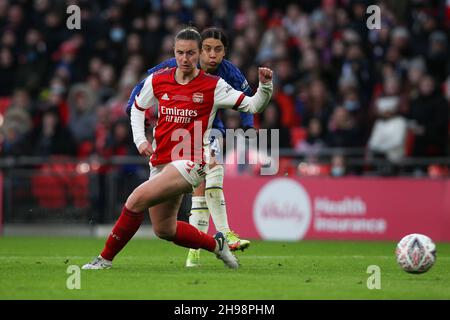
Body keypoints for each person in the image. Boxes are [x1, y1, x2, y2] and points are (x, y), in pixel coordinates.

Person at [82, 27, 273, 270]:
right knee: (165, 229)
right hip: (161, 160)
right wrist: (140, 139)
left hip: (191, 161)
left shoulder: (213, 85)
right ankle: (218, 246)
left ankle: (104, 259)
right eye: (180, 53)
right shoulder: (158, 79)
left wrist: (265, 87)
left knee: (135, 200)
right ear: (174, 52)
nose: (185, 58)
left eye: (191, 53)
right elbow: (139, 108)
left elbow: (253, 106)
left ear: (199, 54)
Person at [125, 27, 254, 267]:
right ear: (199, 50)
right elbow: (144, 85)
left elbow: (247, 97)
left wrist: (247, 126)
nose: (212, 55)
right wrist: (133, 106)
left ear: (225, 53)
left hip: (209, 130)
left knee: (213, 173)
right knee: (196, 193)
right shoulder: (175, 63)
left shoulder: (227, 71)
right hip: (176, 138)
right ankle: (199, 248)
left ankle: (224, 233)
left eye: (218, 50)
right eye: (207, 49)